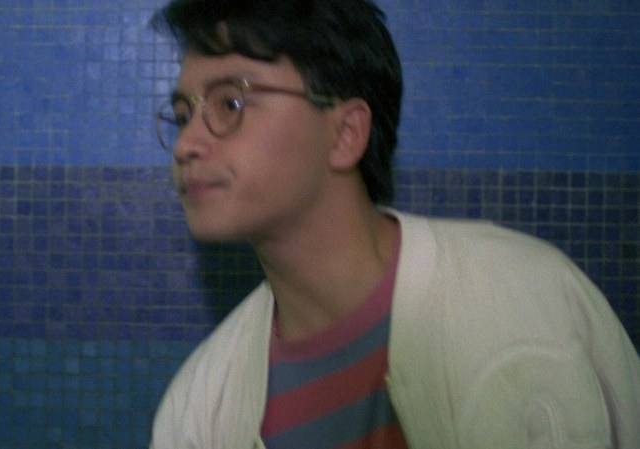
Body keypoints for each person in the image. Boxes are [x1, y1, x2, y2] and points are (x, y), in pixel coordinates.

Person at [147, 1, 640, 448]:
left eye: (230, 103)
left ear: (346, 133)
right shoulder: (201, 408)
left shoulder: (527, 297)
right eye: (184, 115)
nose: (187, 145)